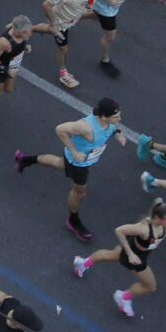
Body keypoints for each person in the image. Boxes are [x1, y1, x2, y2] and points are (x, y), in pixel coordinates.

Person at [17, 98, 122, 243]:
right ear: (103, 116)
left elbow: (113, 127)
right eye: (116, 117)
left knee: (58, 163)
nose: (119, 119)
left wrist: (118, 134)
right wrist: (74, 152)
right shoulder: (85, 127)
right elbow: (60, 129)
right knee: (79, 192)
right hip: (78, 164)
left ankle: (24, 160)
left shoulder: (108, 122)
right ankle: (73, 221)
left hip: (80, 159)